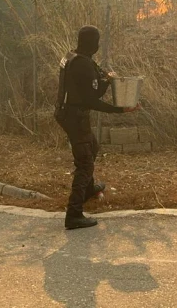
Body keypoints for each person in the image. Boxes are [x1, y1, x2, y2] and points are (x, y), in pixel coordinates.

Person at [55, 26, 140, 230]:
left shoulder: (72, 56)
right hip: (75, 116)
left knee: (92, 147)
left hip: (67, 112)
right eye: (97, 41)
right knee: (85, 162)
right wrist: (121, 110)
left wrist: (104, 80)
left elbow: (87, 90)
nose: (98, 45)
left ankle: (88, 189)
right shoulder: (83, 64)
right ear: (93, 43)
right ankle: (73, 214)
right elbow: (93, 100)